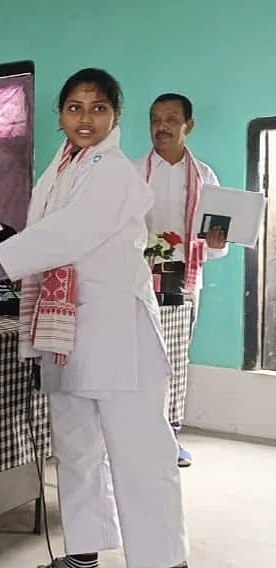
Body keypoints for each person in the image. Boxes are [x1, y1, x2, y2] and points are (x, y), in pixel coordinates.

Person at [0, 68, 188, 568]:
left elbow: (70, 233)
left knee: (140, 455)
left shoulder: (113, 170)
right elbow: (48, 233)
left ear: (115, 117)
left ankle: (163, 561)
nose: (85, 118)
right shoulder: (60, 168)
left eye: (99, 108)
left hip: (117, 331)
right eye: (74, 107)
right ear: (59, 115)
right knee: (77, 447)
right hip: (65, 325)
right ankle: (82, 555)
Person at [134, 93, 228, 467]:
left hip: (183, 278)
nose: (162, 127)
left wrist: (217, 243)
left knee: (173, 358)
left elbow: (216, 238)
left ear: (189, 125)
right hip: (137, 277)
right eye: (155, 119)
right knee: (136, 356)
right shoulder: (133, 173)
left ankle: (170, 437)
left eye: (171, 119)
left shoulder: (205, 177)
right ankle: (134, 434)